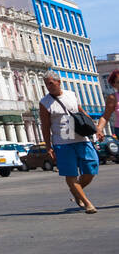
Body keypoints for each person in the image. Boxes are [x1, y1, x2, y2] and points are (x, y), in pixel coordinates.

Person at [38, 72, 98, 214]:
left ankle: (77, 191)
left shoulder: (71, 94)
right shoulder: (44, 103)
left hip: (81, 137)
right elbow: (45, 126)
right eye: (46, 84)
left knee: (91, 168)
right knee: (70, 174)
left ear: (59, 82)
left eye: (51, 83)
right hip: (62, 142)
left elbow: (81, 112)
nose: (48, 86)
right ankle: (87, 203)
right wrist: (49, 146)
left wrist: (95, 129)